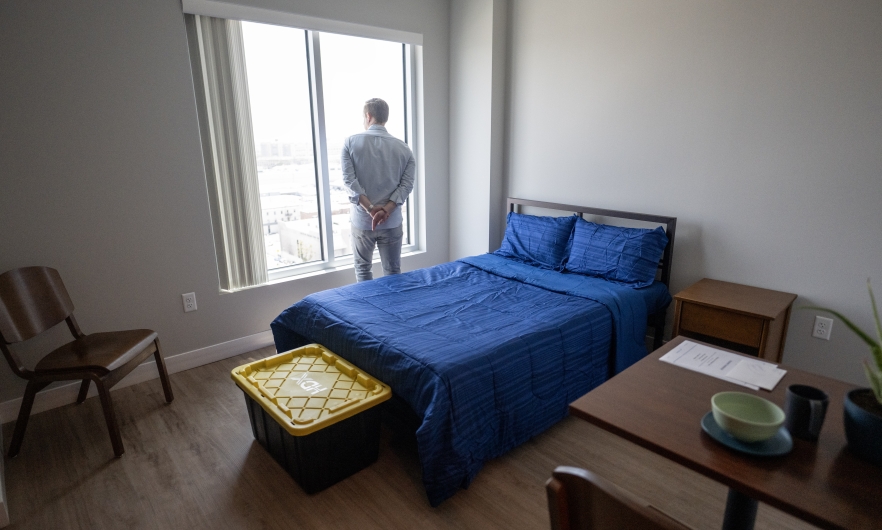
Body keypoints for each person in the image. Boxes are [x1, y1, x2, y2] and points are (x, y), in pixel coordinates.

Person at [341, 98, 415, 282]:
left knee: (362, 270)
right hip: (392, 221)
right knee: (393, 272)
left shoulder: (350, 143)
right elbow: (406, 185)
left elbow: (350, 182)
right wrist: (386, 210)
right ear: (385, 117)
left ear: (368, 116)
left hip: (363, 221)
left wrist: (371, 209)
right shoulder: (404, 149)